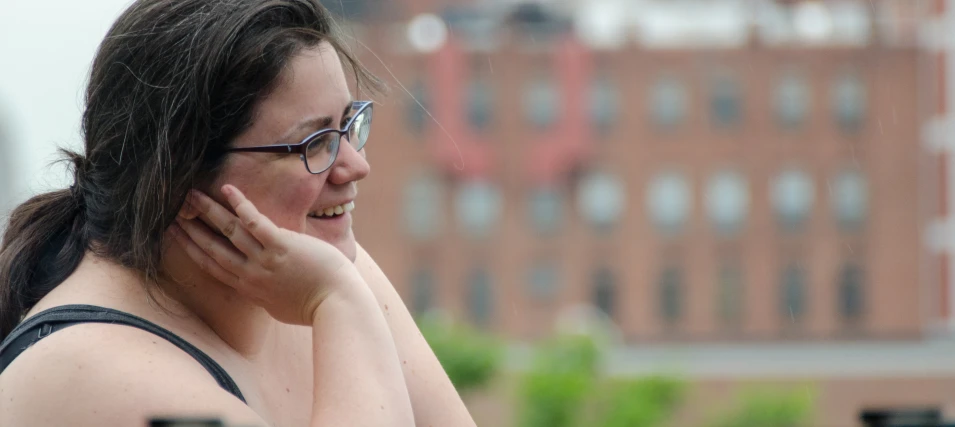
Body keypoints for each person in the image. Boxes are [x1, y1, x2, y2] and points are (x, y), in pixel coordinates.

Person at [0, 1, 475, 426]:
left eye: (349, 126)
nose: (356, 166)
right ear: (180, 181)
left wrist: (339, 296)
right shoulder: (98, 375)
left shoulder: (317, 268)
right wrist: (344, 307)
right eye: (315, 143)